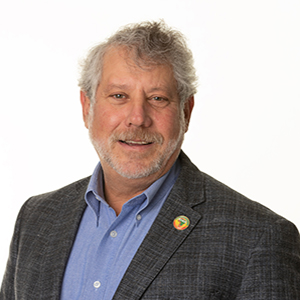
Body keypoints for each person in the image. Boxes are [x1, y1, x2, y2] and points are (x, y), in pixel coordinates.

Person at [1, 20, 300, 300]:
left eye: (158, 98)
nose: (137, 118)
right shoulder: (37, 219)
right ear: (86, 107)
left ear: (186, 111)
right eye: (119, 96)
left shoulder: (259, 238)